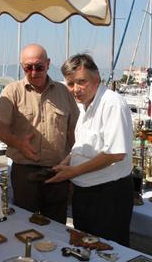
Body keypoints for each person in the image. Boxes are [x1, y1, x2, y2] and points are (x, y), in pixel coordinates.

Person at [46, 54, 134, 246]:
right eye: (70, 84)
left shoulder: (112, 104)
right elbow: (82, 145)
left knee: (108, 251)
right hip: (85, 194)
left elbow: (115, 153)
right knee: (85, 248)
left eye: (81, 82)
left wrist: (73, 171)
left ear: (96, 79)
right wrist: (65, 163)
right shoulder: (85, 106)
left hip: (108, 196)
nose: (76, 89)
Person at [0, 43, 79, 224]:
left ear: (48, 64)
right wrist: (18, 143)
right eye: (28, 67)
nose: (33, 72)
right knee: (24, 225)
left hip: (58, 172)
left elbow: (74, 132)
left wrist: (73, 167)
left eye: (39, 67)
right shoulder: (12, 92)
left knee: (57, 227)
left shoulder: (64, 92)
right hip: (25, 173)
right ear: (22, 66)